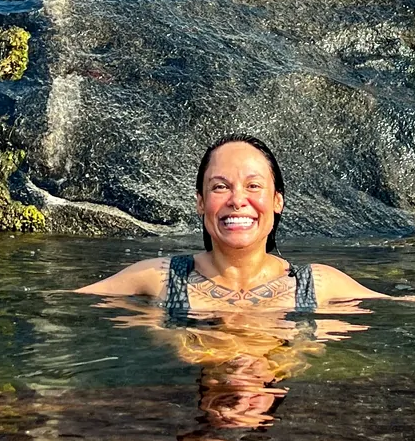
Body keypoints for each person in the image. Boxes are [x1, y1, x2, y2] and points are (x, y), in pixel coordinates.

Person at [77, 135, 385, 318]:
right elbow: (59, 302)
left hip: (272, 413)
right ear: (200, 202)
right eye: (220, 187)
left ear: (277, 201)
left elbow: (414, 308)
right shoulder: (157, 278)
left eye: (253, 186)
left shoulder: (319, 284)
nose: (238, 200)